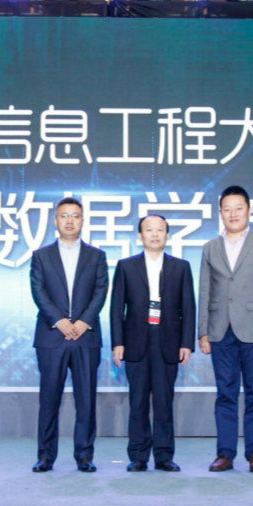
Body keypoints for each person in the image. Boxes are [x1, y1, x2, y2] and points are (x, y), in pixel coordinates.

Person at [197, 185, 253, 474]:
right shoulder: (210, 247)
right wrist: (203, 332)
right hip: (220, 331)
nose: (233, 214)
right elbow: (205, 292)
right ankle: (225, 454)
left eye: (238, 208)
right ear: (220, 213)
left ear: (249, 210)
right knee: (225, 394)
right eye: (227, 209)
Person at [110, 214, 196, 473]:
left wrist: (186, 343)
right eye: (149, 230)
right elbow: (116, 308)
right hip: (135, 341)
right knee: (137, 402)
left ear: (167, 235)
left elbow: (188, 308)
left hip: (168, 341)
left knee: (163, 402)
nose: (155, 234)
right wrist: (117, 342)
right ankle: (138, 456)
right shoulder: (126, 266)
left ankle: (164, 455)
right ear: (140, 236)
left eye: (160, 230)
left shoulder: (181, 267)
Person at [30, 198, 109, 473]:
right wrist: (60, 321)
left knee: (85, 400)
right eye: (64, 215)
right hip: (51, 337)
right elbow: (39, 291)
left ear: (83, 220)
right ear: (55, 220)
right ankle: (45, 456)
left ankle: (84, 455)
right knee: (49, 399)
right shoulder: (41, 256)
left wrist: (84, 321)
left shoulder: (96, 256)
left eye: (75, 216)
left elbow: (101, 291)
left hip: (86, 338)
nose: (69, 221)